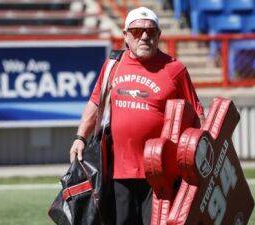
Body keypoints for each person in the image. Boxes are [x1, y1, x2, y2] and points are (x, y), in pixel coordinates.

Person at [69, 6, 205, 225]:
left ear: (159, 35)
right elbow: (96, 102)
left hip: (162, 173)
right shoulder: (113, 65)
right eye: (136, 31)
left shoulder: (175, 69)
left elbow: (198, 115)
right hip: (118, 172)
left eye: (151, 32)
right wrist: (80, 137)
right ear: (125, 37)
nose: (144, 36)